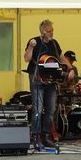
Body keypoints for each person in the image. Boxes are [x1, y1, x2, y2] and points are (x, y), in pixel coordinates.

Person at [24, 19, 74, 148]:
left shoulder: (54, 43)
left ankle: (46, 135)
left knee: (51, 109)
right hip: (37, 78)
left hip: (51, 79)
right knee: (38, 109)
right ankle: (36, 136)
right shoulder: (35, 41)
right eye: (49, 31)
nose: (51, 33)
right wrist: (30, 47)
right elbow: (26, 59)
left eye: (52, 30)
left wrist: (71, 68)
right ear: (42, 32)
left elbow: (61, 57)